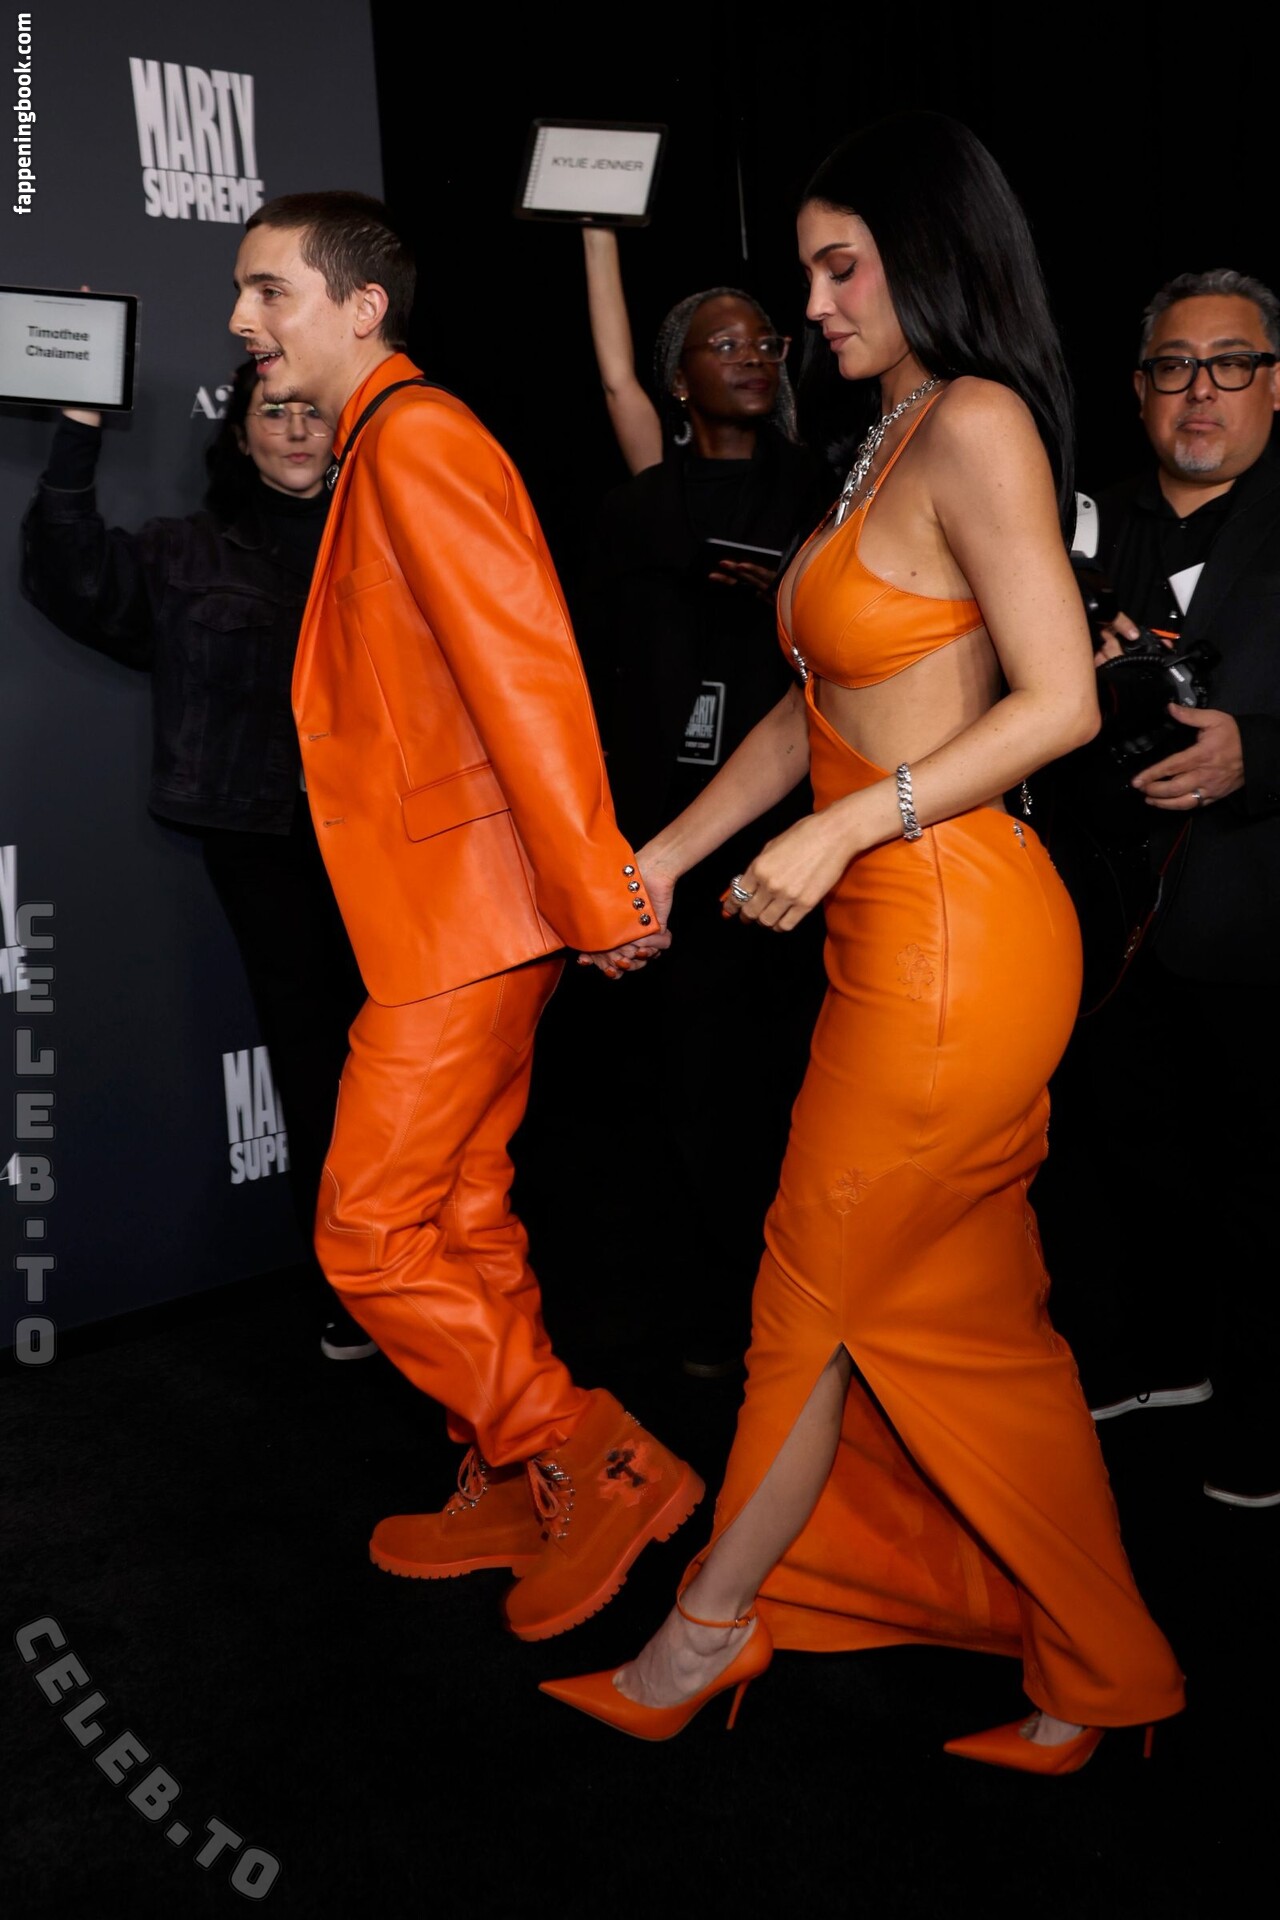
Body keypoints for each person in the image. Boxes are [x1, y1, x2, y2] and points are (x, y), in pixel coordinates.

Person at [539, 111, 1185, 1769]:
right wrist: (665, 858)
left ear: (932, 255)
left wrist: (845, 827)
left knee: (803, 1295)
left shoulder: (976, 422)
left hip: (954, 935)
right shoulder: (887, 431)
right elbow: (812, 703)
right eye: (808, 272)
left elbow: (1057, 704)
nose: (810, 306)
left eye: (841, 269)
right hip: (901, 935)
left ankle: (706, 1630)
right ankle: (1095, 1675)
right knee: (976, 1331)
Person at [226, 189, 705, 1640]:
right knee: (462, 1214)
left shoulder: (417, 439)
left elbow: (525, 677)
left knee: (369, 1233)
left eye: (270, 292)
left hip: (466, 917)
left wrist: (595, 889)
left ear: (362, 306)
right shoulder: (384, 443)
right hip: (466, 914)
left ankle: (583, 1453)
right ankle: (511, 1480)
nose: (243, 322)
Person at [19, 356, 374, 1362]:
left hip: (398, 841)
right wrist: (80, 419)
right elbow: (69, 569)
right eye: (275, 411)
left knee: (415, 1065)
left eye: (314, 412)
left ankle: (433, 1265)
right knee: (316, 1062)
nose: (296, 428)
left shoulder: (390, 540)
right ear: (240, 433)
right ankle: (350, 1286)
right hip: (269, 846)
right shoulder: (188, 551)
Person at [1030, 268, 1280, 1510]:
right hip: (1102, 910)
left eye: (1229, 363)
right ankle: (1156, 1363)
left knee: (1262, 1179)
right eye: (1173, 367)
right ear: (1137, 390)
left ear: (1273, 385)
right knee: (1120, 1151)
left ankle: (1262, 1416)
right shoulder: (1076, 527)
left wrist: (1257, 753)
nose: (1200, 391)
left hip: (1254, 910)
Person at [568, 226, 832, 1373]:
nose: (752, 358)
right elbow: (614, 381)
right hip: (669, 828)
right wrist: (594, 226)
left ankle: (804, 1300)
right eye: (723, 346)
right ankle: (723, 1299)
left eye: (764, 342)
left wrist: (788, 594)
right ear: (680, 378)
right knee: (691, 1079)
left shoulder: (822, 487)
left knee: (791, 1070)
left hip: (796, 827)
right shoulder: (646, 500)